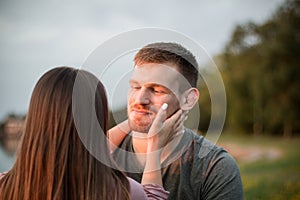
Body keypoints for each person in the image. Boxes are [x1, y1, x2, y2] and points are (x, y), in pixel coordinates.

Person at [0, 66, 183, 199]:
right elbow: (153, 197)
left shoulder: (5, 186)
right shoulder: (122, 192)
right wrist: (154, 145)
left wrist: (133, 120)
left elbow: (92, 146)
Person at [110, 42, 244, 199]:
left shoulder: (215, 167)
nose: (139, 99)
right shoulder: (104, 155)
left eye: (157, 90)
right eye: (135, 87)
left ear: (188, 99)